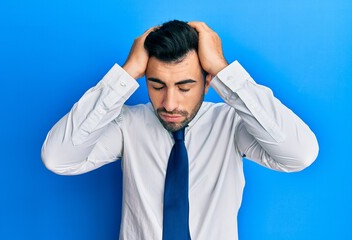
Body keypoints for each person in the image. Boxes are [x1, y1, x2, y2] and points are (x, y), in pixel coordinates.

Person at [41, 20, 319, 240]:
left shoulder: (232, 126)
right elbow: (58, 158)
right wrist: (125, 74)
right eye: (157, 86)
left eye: (185, 87)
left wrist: (225, 71)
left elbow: (301, 154)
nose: (170, 103)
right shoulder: (128, 125)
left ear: (208, 82)